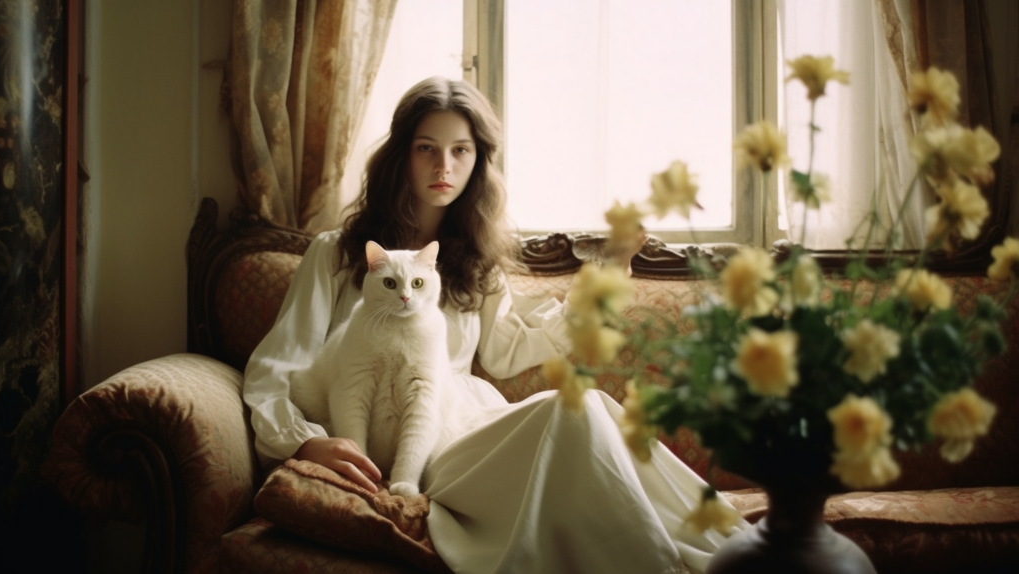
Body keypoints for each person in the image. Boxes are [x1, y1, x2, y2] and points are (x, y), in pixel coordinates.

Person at [243, 76, 744, 574]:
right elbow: (274, 368)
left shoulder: (476, 264)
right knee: (569, 415)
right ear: (401, 155)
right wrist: (302, 440)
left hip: (462, 422)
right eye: (427, 148)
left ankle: (730, 550)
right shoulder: (337, 253)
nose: (444, 166)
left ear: (478, 161)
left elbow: (508, 351)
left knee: (586, 404)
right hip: (406, 443)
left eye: (461, 150)